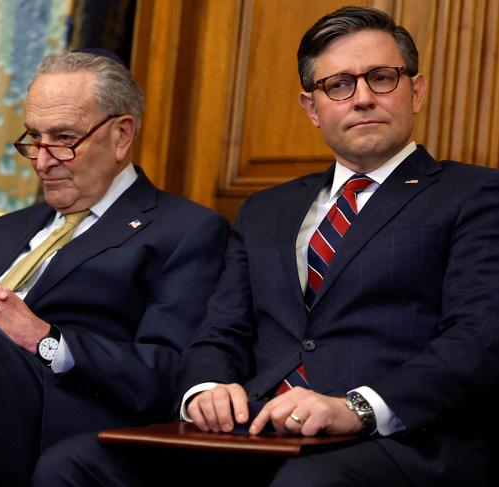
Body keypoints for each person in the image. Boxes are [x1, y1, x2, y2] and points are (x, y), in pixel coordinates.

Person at [36, 6, 499, 487]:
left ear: (416, 91)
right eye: (338, 85)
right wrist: (206, 389)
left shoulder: (474, 196)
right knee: (73, 464)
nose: (362, 98)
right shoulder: (266, 210)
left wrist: (355, 407)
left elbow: (478, 342)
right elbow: (220, 332)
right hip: (258, 430)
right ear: (312, 108)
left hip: (399, 439)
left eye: (381, 78)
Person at [0, 49, 230, 486]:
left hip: (58, 415)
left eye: (64, 139)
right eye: (33, 138)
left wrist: (47, 339)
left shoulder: (186, 230)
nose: (42, 161)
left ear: (122, 135)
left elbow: (167, 373)